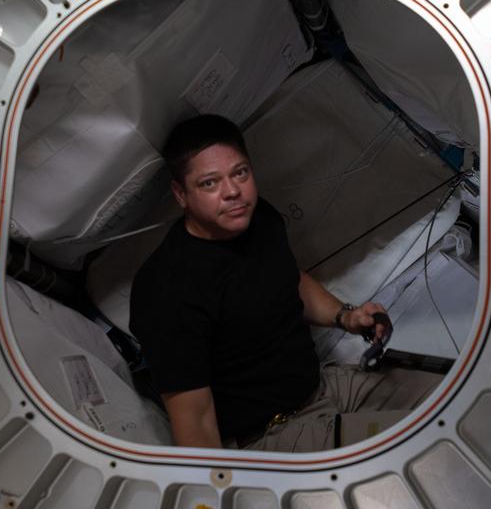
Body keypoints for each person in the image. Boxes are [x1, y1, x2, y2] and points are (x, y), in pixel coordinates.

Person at [129, 114, 439, 452]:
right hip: (273, 433)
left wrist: (346, 317)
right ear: (181, 194)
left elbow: (289, 280)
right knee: (425, 444)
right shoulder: (165, 291)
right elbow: (196, 425)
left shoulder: (257, 217)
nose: (232, 191)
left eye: (240, 173)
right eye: (209, 183)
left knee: (452, 401)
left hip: (326, 385)